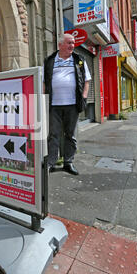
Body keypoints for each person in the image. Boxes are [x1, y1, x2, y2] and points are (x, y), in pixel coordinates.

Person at [43, 33, 91, 175]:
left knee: (70, 135)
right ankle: (51, 162)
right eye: (69, 42)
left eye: (73, 43)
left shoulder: (79, 59)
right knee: (53, 135)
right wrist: (44, 101)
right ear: (60, 45)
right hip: (54, 105)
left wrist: (83, 97)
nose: (72, 45)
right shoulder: (49, 60)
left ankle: (68, 162)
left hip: (72, 104)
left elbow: (87, 80)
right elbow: (44, 83)